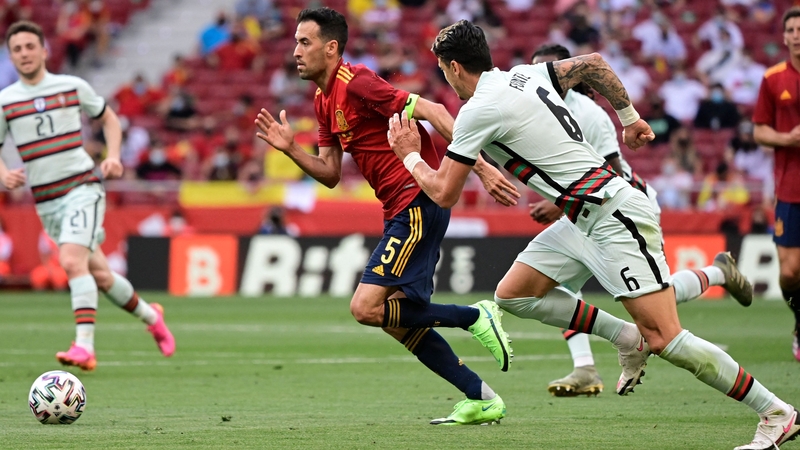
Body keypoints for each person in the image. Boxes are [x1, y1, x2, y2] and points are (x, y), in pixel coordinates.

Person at [387, 20, 798, 449]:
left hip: (612, 213)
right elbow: (594, 65)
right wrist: (630, 118)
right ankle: (626, 337)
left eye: (443, 70)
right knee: (515, 293)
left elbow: (444, 192)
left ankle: (775, 412)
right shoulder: (525, 75)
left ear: (454, 68)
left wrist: (410, 155)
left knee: (666, 337)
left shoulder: (477, 109)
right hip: (581, 216)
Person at [254, 8, 519, 426]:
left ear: (331, 47)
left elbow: (432, 111)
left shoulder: (355, 80)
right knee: (395, 319)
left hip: (416, 200)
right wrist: (290, 149)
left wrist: (482, 168)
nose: (295, 52)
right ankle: (481, 397)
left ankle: (474, 316)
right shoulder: (324, 100)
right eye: (295, 42)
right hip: (401, 208)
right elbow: (330, 174)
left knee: (365, 308)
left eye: (304, 42)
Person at [529, 43, 753, 398]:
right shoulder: (538, 110)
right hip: (586, 211)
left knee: (653, 303)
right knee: (558, 289)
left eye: (550, 71)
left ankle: (717, 274)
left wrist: (558, 206)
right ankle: (586, 367)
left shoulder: (589, 114)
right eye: (535, 71)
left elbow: (612, 172)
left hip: (624, 209)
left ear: (568, 74)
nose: (541, 80)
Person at [0, 21, 175, 371]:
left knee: (70, 261)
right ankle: (151, 316)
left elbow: (110, 120)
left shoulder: (71, 86)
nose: (24, 54)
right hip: (47, 202)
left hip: (82, 187)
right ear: (12, 55)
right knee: (102, 276)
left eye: (30, 46)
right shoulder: (5, 101)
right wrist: (3, 172)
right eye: (17, 49)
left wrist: (112, 156)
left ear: (44, 50)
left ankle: (84, 346)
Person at [752, 6, 800, 364]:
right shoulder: (773, 79)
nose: (798, 34)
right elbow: (759, 131)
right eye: (793, 29)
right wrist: (788, 139)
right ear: (784, 37)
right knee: (789, 271)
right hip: (790, 186)